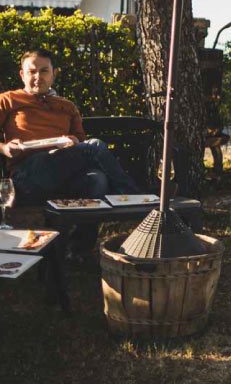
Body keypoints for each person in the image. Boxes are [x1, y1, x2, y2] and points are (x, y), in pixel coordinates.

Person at [0, 48, 140, 255]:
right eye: (32, 72)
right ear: (22, 74)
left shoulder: (67, 106)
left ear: (54, 73)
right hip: (28, 176)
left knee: (97, 179)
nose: (38, 77)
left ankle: (78, 248)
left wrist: (74, 141)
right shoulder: (8, 100)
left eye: (44, 71)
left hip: (63, 175)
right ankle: (132, 197)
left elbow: (81, 146)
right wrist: (5, 148)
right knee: (94, 147)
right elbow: (90, 149)